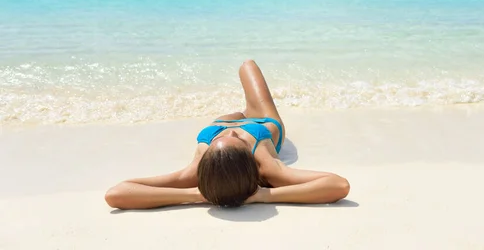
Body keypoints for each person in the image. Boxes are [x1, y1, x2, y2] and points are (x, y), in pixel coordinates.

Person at [105, 60, 350, 209]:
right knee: (248, 66)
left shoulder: (193, 173)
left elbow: (117, 193)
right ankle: (249, 111)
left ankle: (242, 112)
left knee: (242, 83)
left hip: (218, 122)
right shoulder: (269, 169)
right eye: (238, 139)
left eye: (217, 142)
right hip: (263, 121)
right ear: (249, 158)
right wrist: (264, 195)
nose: (233, 131)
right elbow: (338, 185)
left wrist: (195, 194)